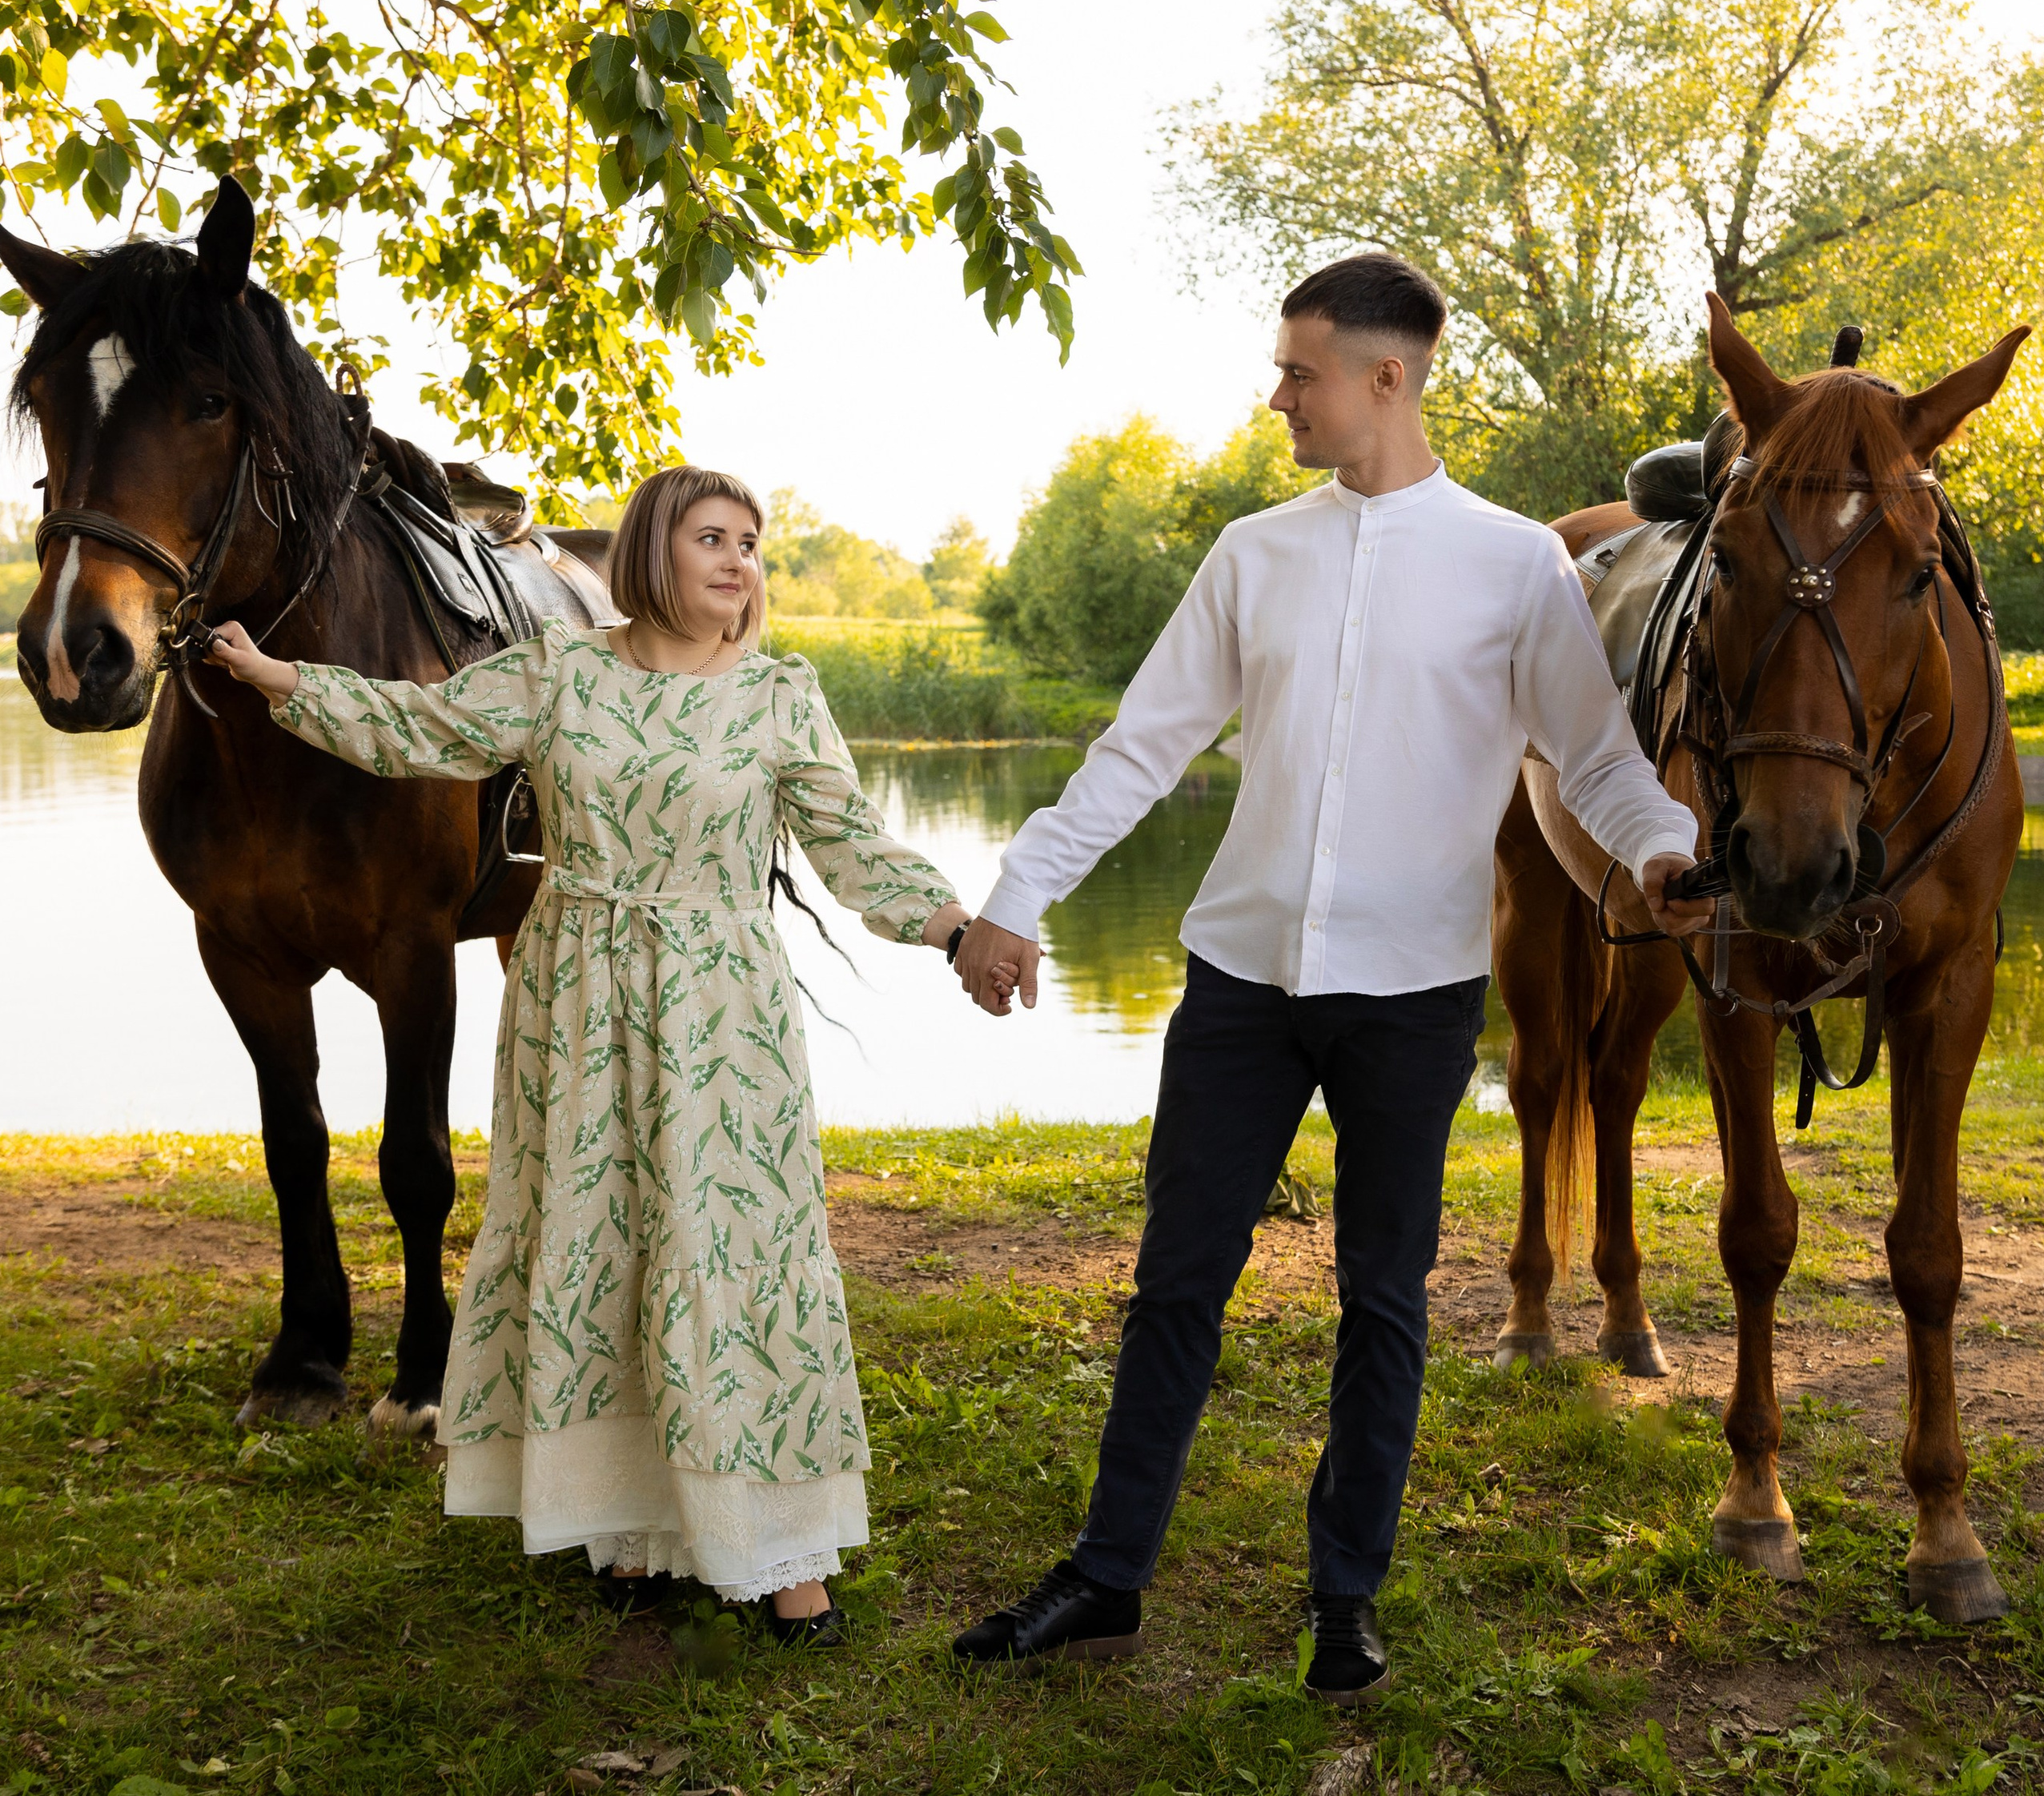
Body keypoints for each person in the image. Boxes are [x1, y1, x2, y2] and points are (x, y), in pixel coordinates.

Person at [947, 253, 1712, 1701]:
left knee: (1386, 1299)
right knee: (1177, 1283)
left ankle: (1344, 1597)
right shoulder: (1253, 553)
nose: (1278, 394)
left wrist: (1663, 851)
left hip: (1414, 996)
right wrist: (1016, 896)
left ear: (1387, 377)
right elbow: (1141, 747)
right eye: (1282, 369)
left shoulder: (1512, 564)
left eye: (1300, 371)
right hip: (1240, 978)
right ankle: (1108, 1576)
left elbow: (1594, 756)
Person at [206, 465, 975, 1646]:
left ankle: (780, 1552)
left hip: (722, 1010)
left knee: (735, 1254)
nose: (739, 561)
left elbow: (853, 847)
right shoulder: (560, 675)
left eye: (751, 544)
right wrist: (275, 679)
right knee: (600, 1243)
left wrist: (958, 930)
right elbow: (422, 727)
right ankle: (627, 1525)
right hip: (579, 994)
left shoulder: (779, 695)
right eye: (712, 537)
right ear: (653, 552)